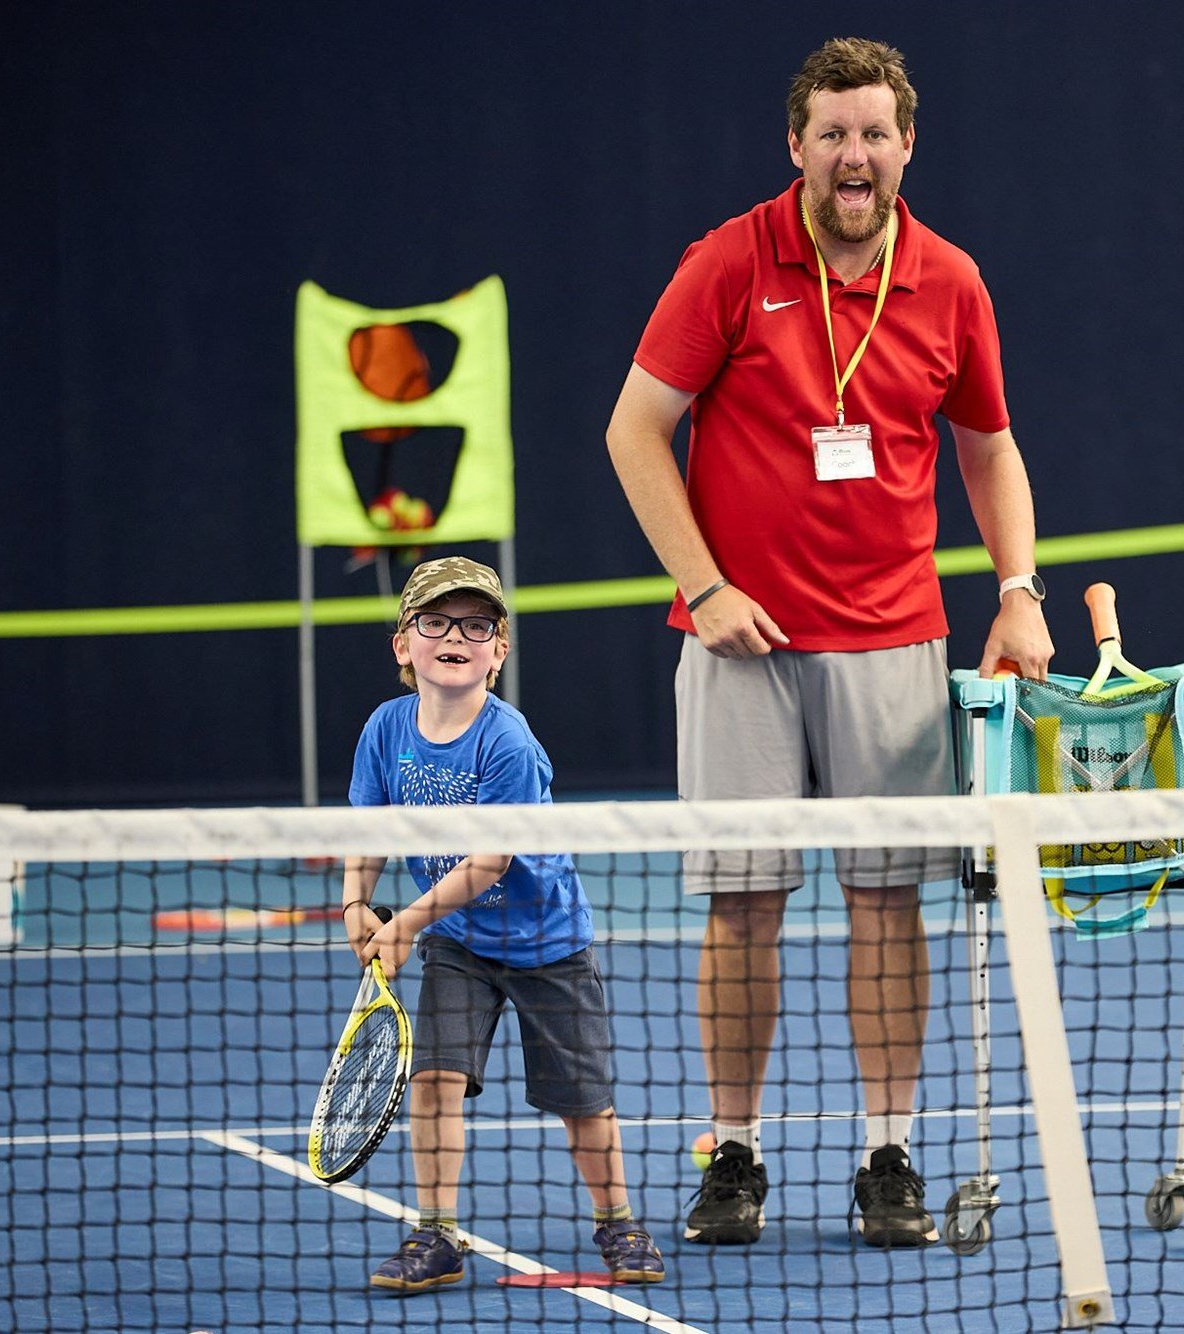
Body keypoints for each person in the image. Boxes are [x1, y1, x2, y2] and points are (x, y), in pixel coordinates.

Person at [605, 37, 1053, 1248]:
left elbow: (987, 444)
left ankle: (886, 1151)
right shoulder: (727, 264)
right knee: (740, 906)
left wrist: (1017, 589)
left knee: (882, 900)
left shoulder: (950, 280)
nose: (852, 156)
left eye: (872, 134)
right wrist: (701, 588)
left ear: (907, 145)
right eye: (831, 134)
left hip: (892, 639)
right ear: (794, 145)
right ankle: (733, 1152)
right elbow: (635, 430)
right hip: (739, 644)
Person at [343, 556, 665, 1291]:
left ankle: (617, 1220)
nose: (455, 635)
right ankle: (436, 1235)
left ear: (499, 648)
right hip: (460, 946)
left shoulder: (508, 741)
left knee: (583, 1103)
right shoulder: (385, 728)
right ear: (403, 643)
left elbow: (487, 863)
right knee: (432, 1081)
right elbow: (369, 823)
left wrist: (406, 925)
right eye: (435, 622)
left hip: (548, 945)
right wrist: (356, 901)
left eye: (476, 624)